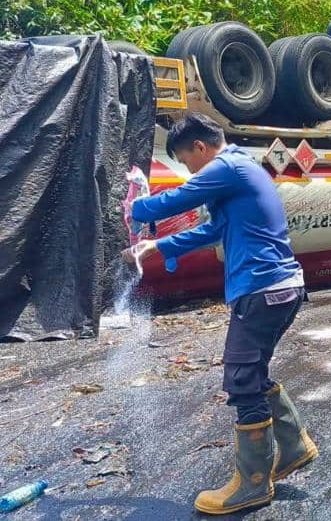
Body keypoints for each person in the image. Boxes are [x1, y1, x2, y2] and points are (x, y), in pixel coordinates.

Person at [124, 113, 314, 515]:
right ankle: (294, 446)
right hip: (279, 287)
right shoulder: (241, 169)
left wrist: (131, 206)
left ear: (200, 147)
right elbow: (213, 230)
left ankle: (253, 484)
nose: (187, 170)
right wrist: (158, 247)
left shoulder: (226, 166)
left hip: (263, 289)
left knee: (242, 378)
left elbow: (177, 199)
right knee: (253, 371)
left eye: (185, 161)